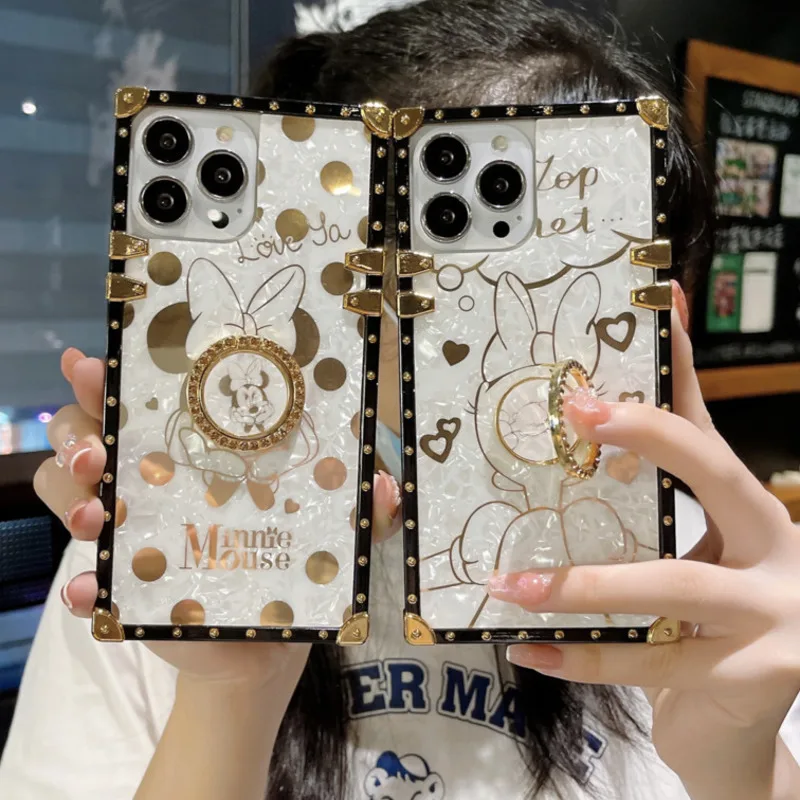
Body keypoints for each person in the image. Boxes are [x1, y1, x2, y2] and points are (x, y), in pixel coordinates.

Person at [3, 1, 800, 798]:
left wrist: (740, 759)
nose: (503, 353)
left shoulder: (704, 578)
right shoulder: (173, 557)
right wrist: (230, 695)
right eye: (438, 287)